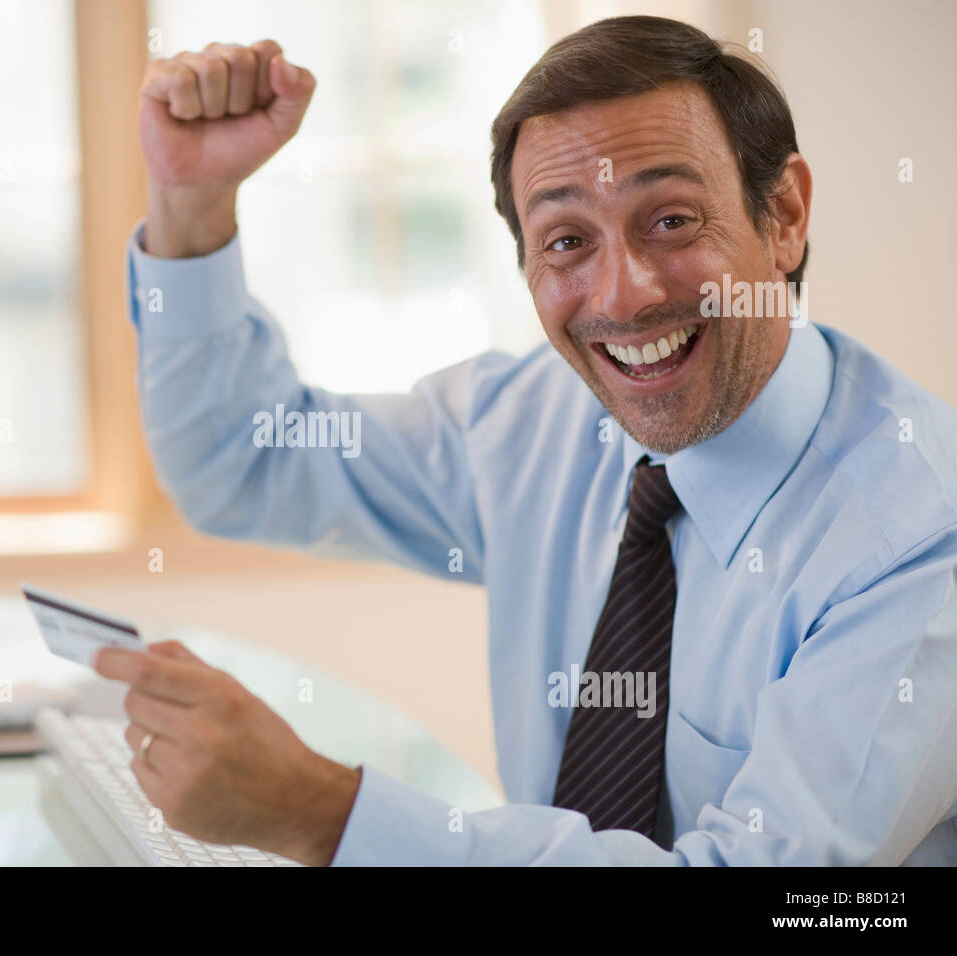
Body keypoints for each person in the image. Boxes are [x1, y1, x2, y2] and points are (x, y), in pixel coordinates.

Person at [92, 15, 957, 865]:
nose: (624, 295)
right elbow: (240, 459)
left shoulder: (918, 538)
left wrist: (324, 813)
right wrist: (191, 203)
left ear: (784, 214)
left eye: (672, 221)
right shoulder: (529, 423)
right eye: (567, 241)